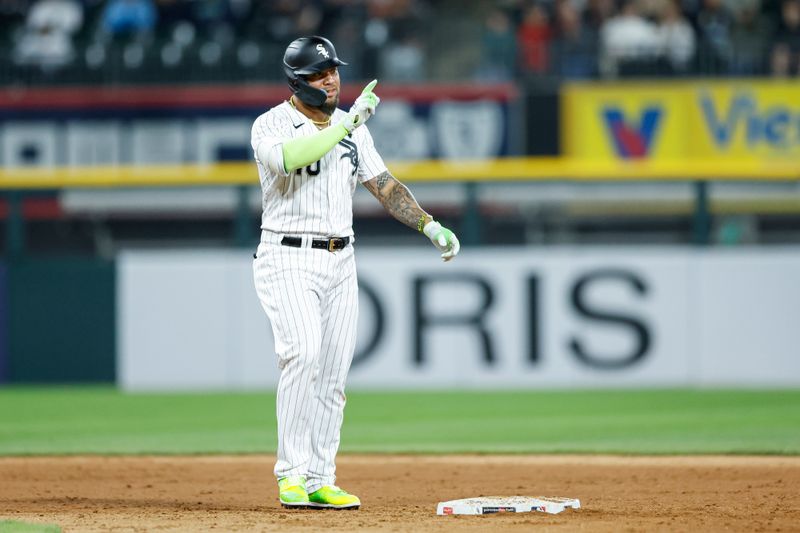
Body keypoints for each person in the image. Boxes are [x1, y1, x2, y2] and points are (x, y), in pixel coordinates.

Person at [250, 35, 460, 510]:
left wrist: (429, 224)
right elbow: (290, 159)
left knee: (334, 374)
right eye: (320, 75)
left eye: (334, 71)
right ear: (296, 82)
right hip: (286, 255)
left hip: (341, 258)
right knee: (302, 355)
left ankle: (321, 476)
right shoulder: (270, 125)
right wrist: (349, 122)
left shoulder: (351, 128)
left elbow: (384, 186)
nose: (331, 80)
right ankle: (291, 474)